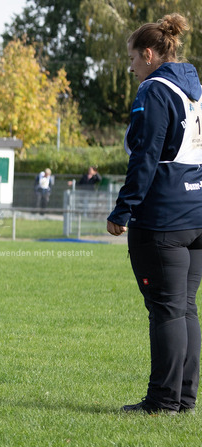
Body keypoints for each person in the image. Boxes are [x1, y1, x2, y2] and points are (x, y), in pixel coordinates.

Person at [106, 13, 202, 414]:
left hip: (162, 219)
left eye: (131, 59)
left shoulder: (154, 90)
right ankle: (183, 397)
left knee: (166, 309)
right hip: (196, 215)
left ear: (148, 54)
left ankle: (162, 402)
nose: (130, 68)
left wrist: (122, 210)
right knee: (185, 308)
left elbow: (145, 157)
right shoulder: (194, 90)